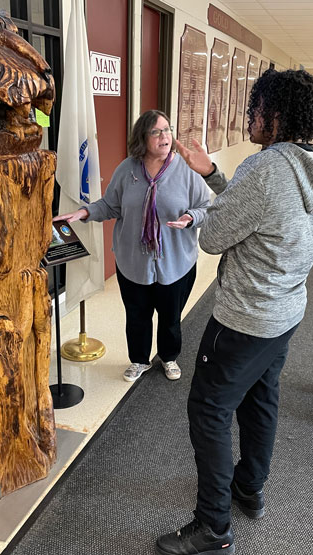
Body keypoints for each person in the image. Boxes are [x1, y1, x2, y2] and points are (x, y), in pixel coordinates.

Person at [155, 69, 313, 555]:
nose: (249, 117)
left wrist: (213, 200)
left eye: (255, 108)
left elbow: (215, 237)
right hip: (284, 309)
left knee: (209, 412)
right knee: (261, 398)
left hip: (245, 317)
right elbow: (265, 210)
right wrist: (213, 175)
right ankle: (248, 490)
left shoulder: (265, 168)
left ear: (275, 115)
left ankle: (213, 526)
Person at [54, 110, 210, 382]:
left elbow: (206, 208)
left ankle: (169, 356)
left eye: (167, 130)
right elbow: (110, 205)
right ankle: (139, 360)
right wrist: (84, 213)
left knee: (170, 317)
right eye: (157, 132)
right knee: (137, 316)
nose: (165, 136)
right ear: (143, 137)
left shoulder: (186, 170)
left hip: (176, 262)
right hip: (133, 262)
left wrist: (191, 218)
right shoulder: (127, 169)